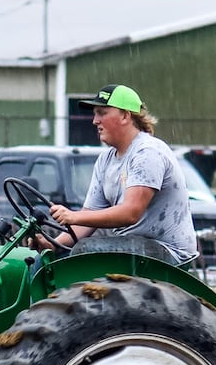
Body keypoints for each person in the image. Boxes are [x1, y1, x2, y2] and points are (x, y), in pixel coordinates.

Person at [42, 83, 198, 265]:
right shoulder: (105, 160)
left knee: (84, 253)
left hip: (167, 254)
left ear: (125, 116)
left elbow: (131, 212)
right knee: (45, 262)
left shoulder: (147, 152)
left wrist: (73, 216)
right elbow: (89, 218)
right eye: (95, 113)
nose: (95, 121)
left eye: (102, 113)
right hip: (133, 248)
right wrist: (52, 245)